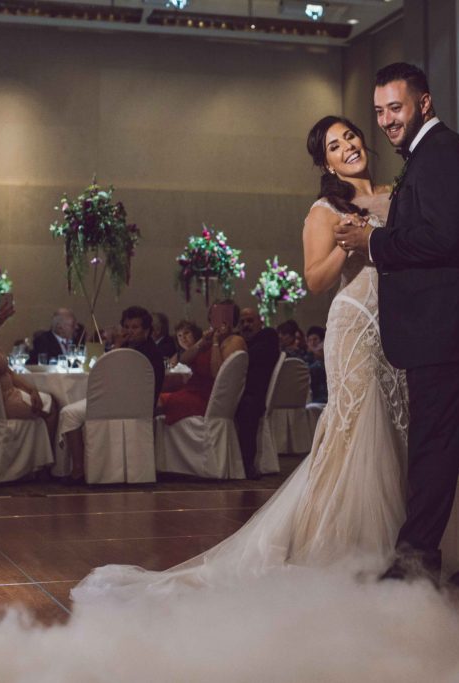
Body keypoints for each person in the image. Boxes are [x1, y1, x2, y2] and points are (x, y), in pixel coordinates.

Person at [71, 114, 408, 602]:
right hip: (354, 326)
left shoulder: (396, 195)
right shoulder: (325, 211)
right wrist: (346, 240)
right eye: (334, 146)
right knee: (356, 433)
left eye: (350, 136)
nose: (348, 147)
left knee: (395, 431)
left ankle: (401, 550)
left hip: (399, 328)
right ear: (326, 164)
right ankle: (342, 551)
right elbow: (316, 280)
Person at [334, 62, 459, 592]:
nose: (386, 120)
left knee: (433, 450)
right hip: (456, 330)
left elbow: (442, 239)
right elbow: (449, 234)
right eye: (379, 111)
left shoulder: (440, 154)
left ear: (424, 103)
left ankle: (414, 567)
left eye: (395, 107)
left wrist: (372, 241)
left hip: (448, 332)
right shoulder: (434, 154)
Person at [58, 306, 164, 481]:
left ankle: (77, 469)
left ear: (146, 330)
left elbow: (107, 376)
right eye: (127, 327)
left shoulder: (135, 353)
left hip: (120, 404)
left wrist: (118, 346)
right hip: (139, 406)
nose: (129, 331)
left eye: (135, 327)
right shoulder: (147, 350)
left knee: (69, 413)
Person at [0, 300, 58, 443]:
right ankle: (47, 455)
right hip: (0, 402)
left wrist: (32, 390)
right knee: (52, 406)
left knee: (46, 400)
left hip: (9, 396)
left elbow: (10, 373)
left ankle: (38, 452)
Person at [158, 302, 246, 425]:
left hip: (207, 398)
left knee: (155, 402)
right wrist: (201, 342)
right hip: (190, 390)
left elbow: (218, 374)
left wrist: (215, 342)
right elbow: (183, 361)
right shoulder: (206, 341)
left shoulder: (234, 341)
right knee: (153, 399)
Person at [233, 307, 281, 480]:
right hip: (238, 392)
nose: (246, 325)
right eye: (242, 322)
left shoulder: (268, 336)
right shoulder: (240, 341)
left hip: (255, 394)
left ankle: (247, 464)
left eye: (250, 321)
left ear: (260, 322)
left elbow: (246, 359)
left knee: (247, 407)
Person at [305, 325, 327, 403]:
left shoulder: (327, 357)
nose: (312, 343)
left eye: (315, 339)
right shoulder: (306, 358)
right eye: (309, 340)